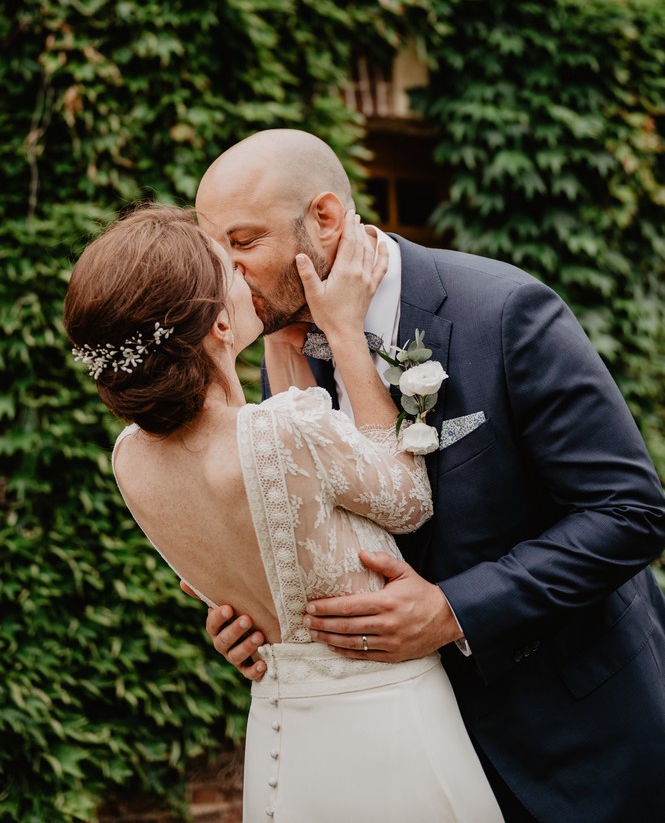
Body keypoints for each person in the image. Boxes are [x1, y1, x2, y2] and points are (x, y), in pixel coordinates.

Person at [192, 128, 665, 823]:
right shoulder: (288, 350)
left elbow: (628, 512)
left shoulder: (500, 311)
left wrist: (452, 611)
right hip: (412, 752)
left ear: (324, 218)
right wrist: (261, 618)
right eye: (215, 251)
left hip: (576, 741)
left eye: (243, 244)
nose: (226, 278)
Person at [64, 203, 504, 823]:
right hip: (385, 730)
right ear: (219, 324)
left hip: (281, 736)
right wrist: (345, 333)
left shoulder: (129, 459)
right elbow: (408, 502)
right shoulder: (284, 430)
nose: (246, 278)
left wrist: (283, 339)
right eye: (229, 270)